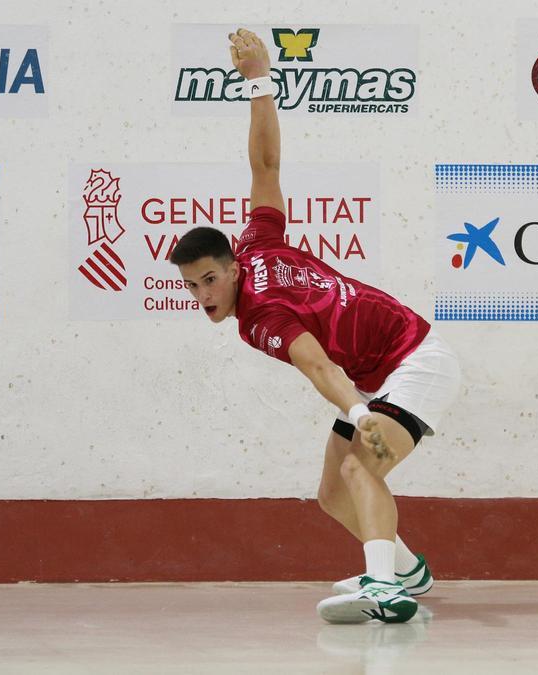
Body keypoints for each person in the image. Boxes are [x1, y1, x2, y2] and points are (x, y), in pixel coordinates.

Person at [169, 28, 461, 624]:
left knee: (359, 468)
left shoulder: (261, 318)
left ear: (231, 267)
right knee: (332, 494)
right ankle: (408, 570)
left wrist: (358, 413)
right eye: (192, 287)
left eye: (210, 281)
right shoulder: (257, 240)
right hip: (377, 377)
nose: (203, 296)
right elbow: (265, 164)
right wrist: (258, 81)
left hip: (416, 362)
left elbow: (318, 365)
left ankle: (386, 590)